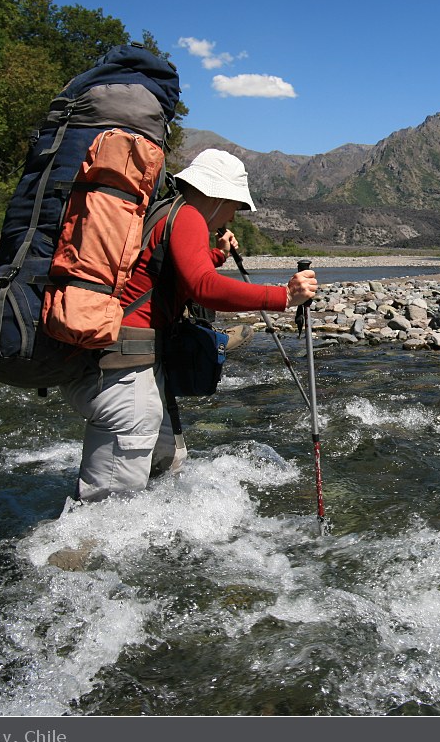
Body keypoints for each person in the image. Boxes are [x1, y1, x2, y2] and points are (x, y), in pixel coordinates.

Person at [60, 149, 317, 502]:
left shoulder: (166, 211)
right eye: (235, 206)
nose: (233, 215)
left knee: (169, 460)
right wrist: (284, 296)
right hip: (123, 368)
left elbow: (171, 269)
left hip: (118, 361)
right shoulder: (189, 216)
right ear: (218, 196)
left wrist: (218, 254)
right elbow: (203, 286)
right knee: (109, 504)